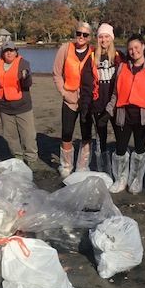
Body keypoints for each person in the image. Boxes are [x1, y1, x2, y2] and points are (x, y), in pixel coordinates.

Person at [107, 33, 145, 194]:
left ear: (143, 46)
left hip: (142, 116)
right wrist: (109, 110)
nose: (133, 51)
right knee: (121, 148)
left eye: (136, 47)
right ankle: (121, 179)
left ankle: (136, 179)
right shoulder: (123, 67)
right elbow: (115, 92)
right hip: (124, 114)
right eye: (130, 49)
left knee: (139, 148)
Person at [52, 21, 98, 178]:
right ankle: (66, 165)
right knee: (66, 132)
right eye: (79, 33)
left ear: (90, 37)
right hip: (69, 99)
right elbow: (57, 73)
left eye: (85, 34)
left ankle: (82, 165)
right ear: (75, 34)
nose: (81, 37)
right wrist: (63, 91)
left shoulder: (94, 52)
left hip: (87, 100)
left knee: (86, 133)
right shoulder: (65, 49)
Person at [0, 41, 38, 165]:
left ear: (16, 52)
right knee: (11, 137)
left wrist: (25, 77)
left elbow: (27, 84)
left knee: (28, 136)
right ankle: (17, 158)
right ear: (2, 53)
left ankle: (32, 159)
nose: (9, 53)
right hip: (5, 107)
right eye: (6, 51)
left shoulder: (23, 63)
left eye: (11, 50)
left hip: (23, 107)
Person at [92, 23, 123, 174]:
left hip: (115, 104)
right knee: (101, 138)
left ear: (111, 38)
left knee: (120, 137)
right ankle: (103, 170)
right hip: (98, 104)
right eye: (101, 37)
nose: (103, 40)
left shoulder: (119, 56)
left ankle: (119, 171)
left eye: (106, 36)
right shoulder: (93, 56)